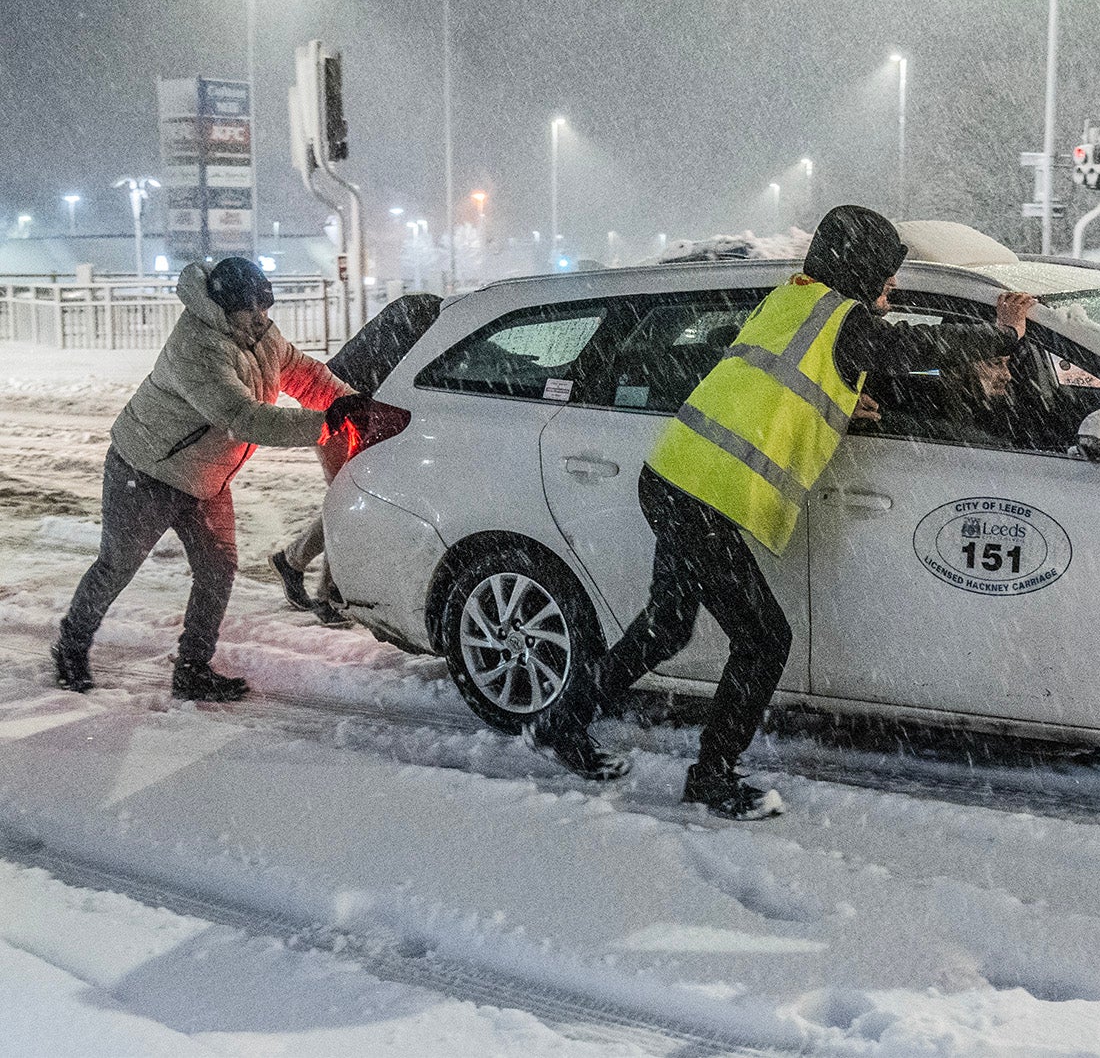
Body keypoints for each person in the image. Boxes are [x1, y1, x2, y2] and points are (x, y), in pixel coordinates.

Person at [527, 205, 1035, 819]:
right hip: (702, 495)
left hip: (674, 476)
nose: (892, 287)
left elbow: (785, 382)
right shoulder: (845, 321)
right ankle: (712, 778)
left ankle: (563, 722)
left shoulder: (795, 299)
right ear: (861, 267)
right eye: (887, 274)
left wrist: (846, 399)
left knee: (668, 624)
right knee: (765, 641)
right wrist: (1003, 333)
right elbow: (915, 344)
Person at [51, 257, 366, 700]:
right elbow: (243, 417)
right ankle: (71, 645)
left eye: (265, 305)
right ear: (223, 306)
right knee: (117, 566)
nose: (261, 316)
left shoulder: (261, 336)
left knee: (217, 569)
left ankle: (193, 670)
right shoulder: (197, 346)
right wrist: (327, 424)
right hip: (147, 471)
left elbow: (306, 375)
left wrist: (353, 404)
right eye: (250, 308)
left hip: (205, 477)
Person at [272, 292, 443, 625]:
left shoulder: (414, 314)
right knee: (349, 502)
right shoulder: (424, 324)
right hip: (339, 413)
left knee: (349, 500)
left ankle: (294, 562)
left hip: (343, 408)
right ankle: (327, 594)